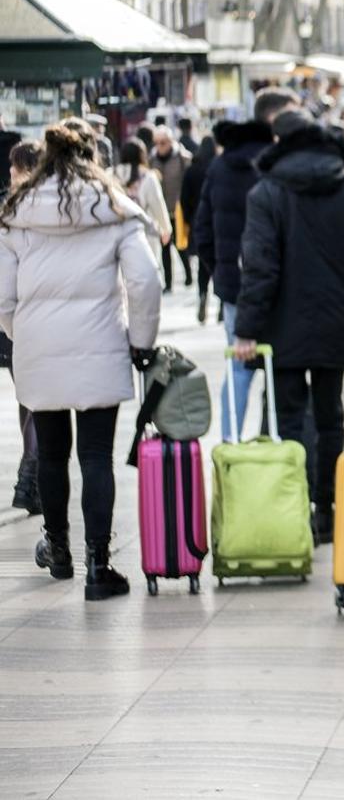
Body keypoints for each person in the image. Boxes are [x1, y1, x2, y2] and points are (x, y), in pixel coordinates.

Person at [0, 124, 161, 600]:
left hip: (38, 349)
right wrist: (142, 340)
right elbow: (146, 282)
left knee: (50, 454)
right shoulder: (113, 208)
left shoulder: (16, 214)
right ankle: (99, 565)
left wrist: (19, 331)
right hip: (100, 344)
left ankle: (59, 551)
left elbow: (3, 295)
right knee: (95, 457)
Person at [234, 110, 344, 545]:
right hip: (335, 320)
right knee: (330, 416)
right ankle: (327, 508)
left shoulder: (266, 194)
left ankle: (297, 503)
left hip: (281, 326)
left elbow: (260, 268)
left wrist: (246, 330)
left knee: (289, 418)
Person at [193, 88, 296, 443]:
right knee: (283, 373)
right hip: (283, 285)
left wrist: (222, 268)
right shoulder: (282, 162)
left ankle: (230, 449)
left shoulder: (222, 164)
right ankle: (280, 452)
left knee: (238, 369)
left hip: (235, 286)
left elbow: (201, 230)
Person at [2, 140, 42, 514]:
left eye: (17, 167)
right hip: (47, 324)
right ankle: (32, 477)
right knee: (37, 403)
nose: (11, 173)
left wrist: (11, 327)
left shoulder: (11, 212)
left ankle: (29, 479)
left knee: (29, 400)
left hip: (21, 325)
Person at [149, 126, 193, 291]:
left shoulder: (182, 157)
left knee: (181, 245)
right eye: (157, 142)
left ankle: (188, 275)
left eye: (163, 142)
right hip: (161, 211)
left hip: (178, 209)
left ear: (170, 141)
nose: (160, 146)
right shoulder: (152, 159)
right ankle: (168, 283)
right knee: (165, 249)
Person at [180, 135, 216, 323]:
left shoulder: (192, 170)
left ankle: (202, 295)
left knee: (203, 264)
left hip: (198, 222)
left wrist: (187, 220)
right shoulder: (219, 168)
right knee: (219, 264)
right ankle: (221, 307)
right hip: (218, 222)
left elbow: (184, 199)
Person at [115, 139, 173, 250]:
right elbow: (158, 204)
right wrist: (166, 229)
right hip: (144, 234)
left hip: (117, 234)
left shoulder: (111, 173)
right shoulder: (148, 176)